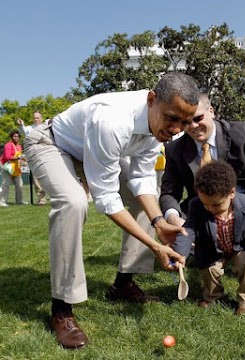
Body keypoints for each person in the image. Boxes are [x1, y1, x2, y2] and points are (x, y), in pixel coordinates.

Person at [23, 72, 199, 349]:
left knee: (143, 195)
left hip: (92, 151)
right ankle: (61, 308)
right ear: (151, 100)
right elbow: (106, 198)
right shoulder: (111, 120)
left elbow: (141, 179)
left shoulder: (158, 126)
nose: (177, 129)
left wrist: (159, 222)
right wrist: (155, 245)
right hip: (52, 144)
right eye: (172, 118)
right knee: (73, 202)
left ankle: (123, 283)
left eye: (185, 121)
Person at [160, 93, 245, 300]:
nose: (193, 126)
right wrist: (172, 216)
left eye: (198, 118)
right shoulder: (175, 149)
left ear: (211, 112)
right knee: (189, 216)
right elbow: (169, 192)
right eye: (186, 122)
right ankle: (209, 258)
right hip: (203, 207)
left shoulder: (241, 132)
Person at [173, 161, 245, 315]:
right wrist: (180, 252)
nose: (210, 208)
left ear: (231, 193)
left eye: (216, 205)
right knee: (210, 270)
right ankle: (213, 296)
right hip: (212, 249)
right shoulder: (196, 205)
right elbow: (188, 229)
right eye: (205, 204)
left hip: (240, 248)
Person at [17, 111, 47, 205]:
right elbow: (23, 131)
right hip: (34, 155)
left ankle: (58, 197)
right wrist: (22, 125)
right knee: (36, 178)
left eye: (37, 118)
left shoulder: (46, 127)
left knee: (50, 177)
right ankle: (41, 199)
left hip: (46, 154)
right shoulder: (30, 128)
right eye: (34, 118)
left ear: (41, 119)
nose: (36, 119)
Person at [0, 130, 28, 206]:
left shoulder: (19, 146)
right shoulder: (8, 145)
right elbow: (7, 156)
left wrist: (23, 161)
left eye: (17, 136)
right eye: (14, 136)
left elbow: (19, 158)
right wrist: (19, 157)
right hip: (7, 166)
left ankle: (19, 201)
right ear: (11, 137)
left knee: (20, 184)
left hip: (16, 167)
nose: (16, 138)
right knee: (6, 184)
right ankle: (2, 201)